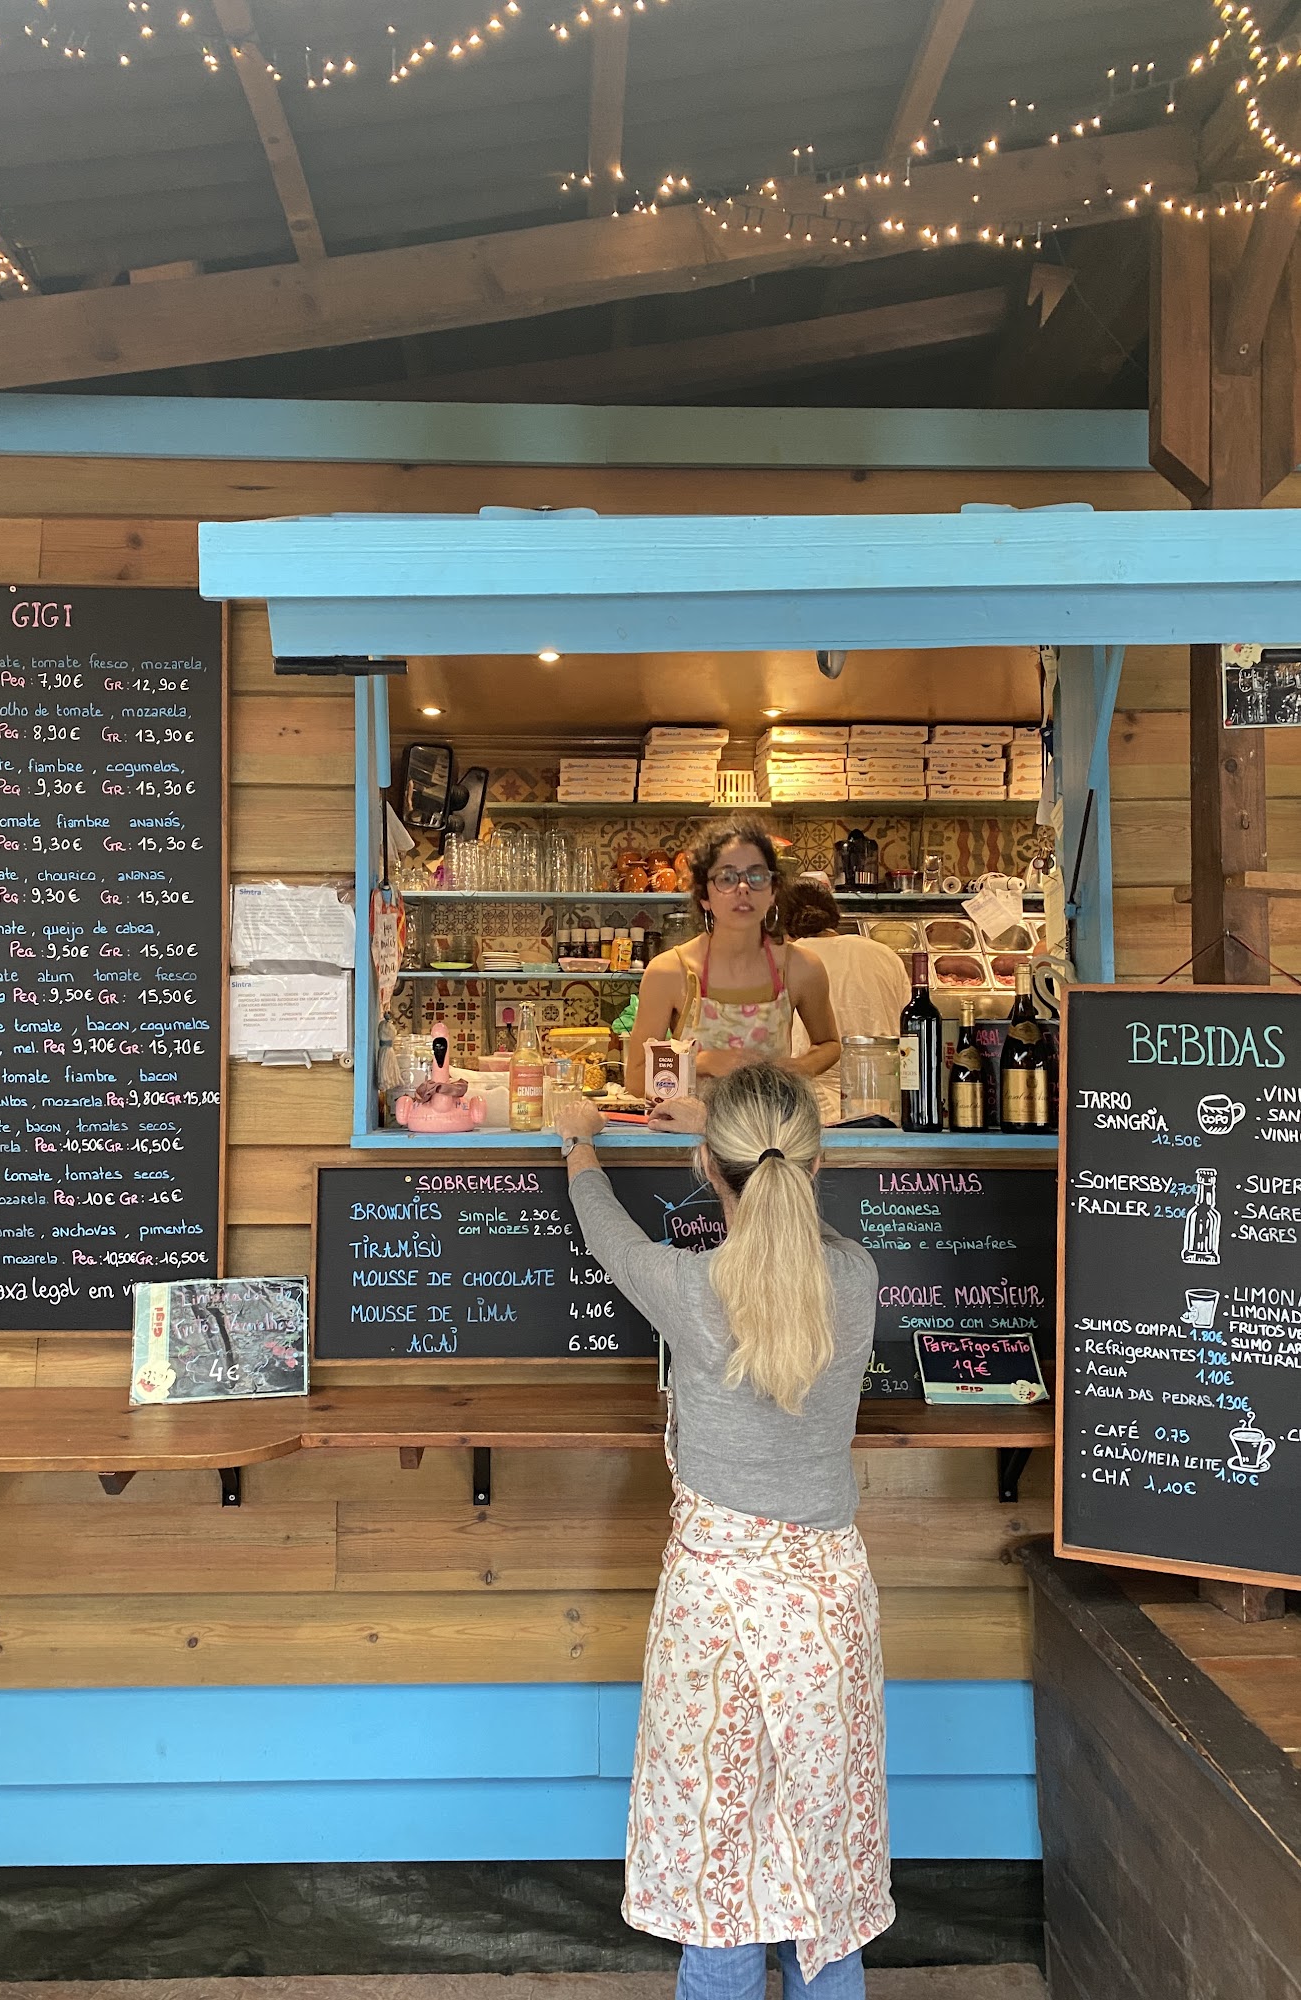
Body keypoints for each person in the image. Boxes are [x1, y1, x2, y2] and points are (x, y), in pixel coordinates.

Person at [556, 1066, 892, 1999]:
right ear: (815, 1167)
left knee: (718, 1880)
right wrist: (731, 1137)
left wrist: (580, 1140)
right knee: (824, 1867)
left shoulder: (690, 1287)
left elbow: (609, 1235)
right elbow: (795, 1221)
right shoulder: (857, 1277)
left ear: (709, 1167)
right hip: (827, 1612)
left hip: (714, 1614)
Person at [624, 822, 840, 1100]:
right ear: (704, 896)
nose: (743, 888)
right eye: (726, 878)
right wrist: (701, 1062)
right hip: (690, 1126)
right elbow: (636, 1079)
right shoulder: (669, 972)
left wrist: (796, 1069)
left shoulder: (800, 968)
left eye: (757, 876)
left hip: (770, 1125)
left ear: (773, 891)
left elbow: (829, 1044)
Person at [778, 877, 912, 1126]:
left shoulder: (793, 960)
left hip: (815, 1109)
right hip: (887, 1105)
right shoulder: (885, 954)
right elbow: (910, 1033)